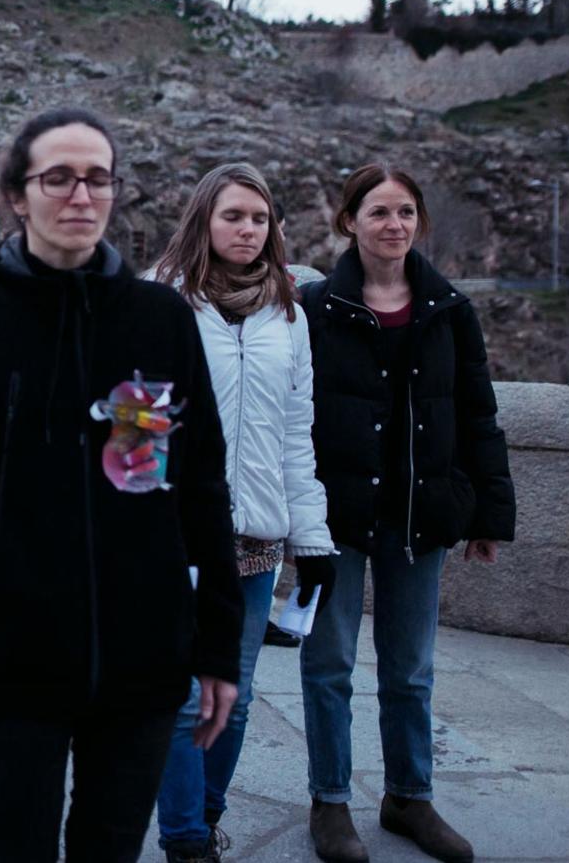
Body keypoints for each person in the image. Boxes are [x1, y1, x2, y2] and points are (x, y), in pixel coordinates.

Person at [0, 108, 242, 863]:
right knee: (13, 849)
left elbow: (202, 488)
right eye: (59, 177)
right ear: (19, 195)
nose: (81, 195)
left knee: (111, 849)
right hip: (11, 656)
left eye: (98, 178)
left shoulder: (160, 320)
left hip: (144, 657)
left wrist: (219, 646)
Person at [298, 164, 514, 863]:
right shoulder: (312, 308)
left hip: (421, 515)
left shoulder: (449, 307)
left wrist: (488, 513)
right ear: (348, 221)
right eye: (379, 212)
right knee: (329, 661)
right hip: (335, 514)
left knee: (410, 667)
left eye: (406, 212)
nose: (395, 225)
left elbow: (479, 413)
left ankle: (408, 797)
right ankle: (330, 802)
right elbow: (290, 417)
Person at [150, 163, 338, 863]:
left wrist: (312, 538)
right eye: (233, 216)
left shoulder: (289, 310)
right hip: (175, 535)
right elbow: (137, 427)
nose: (248, 229)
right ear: (204, 219)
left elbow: (298, 430)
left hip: (256, 536)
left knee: (238, 690)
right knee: (176, 693)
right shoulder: (161, 302)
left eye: (259, 218)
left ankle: (207, 808)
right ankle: (186, 838)